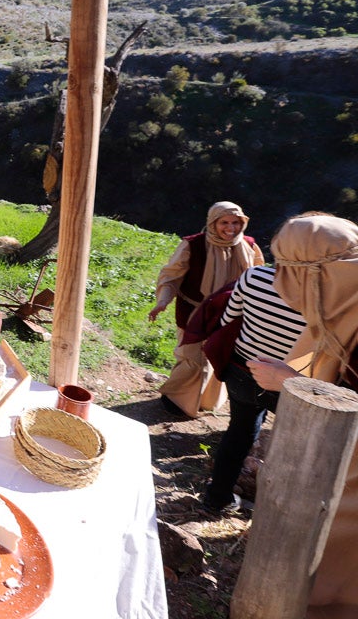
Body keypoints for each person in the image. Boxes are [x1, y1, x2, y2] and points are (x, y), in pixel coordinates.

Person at [247, 213, 358, 617]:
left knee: (334, 579)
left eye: (285, 271)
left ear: (313, 275)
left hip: (352, 495)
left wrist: (292, 383)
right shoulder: (344, 306)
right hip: (340, 479)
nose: (279, 284)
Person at [200, 261, 306, 512]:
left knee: (239, 433)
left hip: (242, 372)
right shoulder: (329, 295)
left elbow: (228, 319)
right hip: (291, 382)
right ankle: (278, 513)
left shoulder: (254, 275)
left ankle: (217, 499)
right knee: (298, 450)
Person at [148, 201, 264, 417]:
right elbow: (171, 276)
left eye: (236, 222)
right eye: (224, 222)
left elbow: (257, 280)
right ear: (213, 223)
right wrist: (162, 301)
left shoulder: (249, 246)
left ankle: (207, 401)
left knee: (219, 356)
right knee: (190, 355)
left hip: (231, 314)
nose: (231, 228)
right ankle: (177, 401)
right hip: (194, 312)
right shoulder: (193, 245)